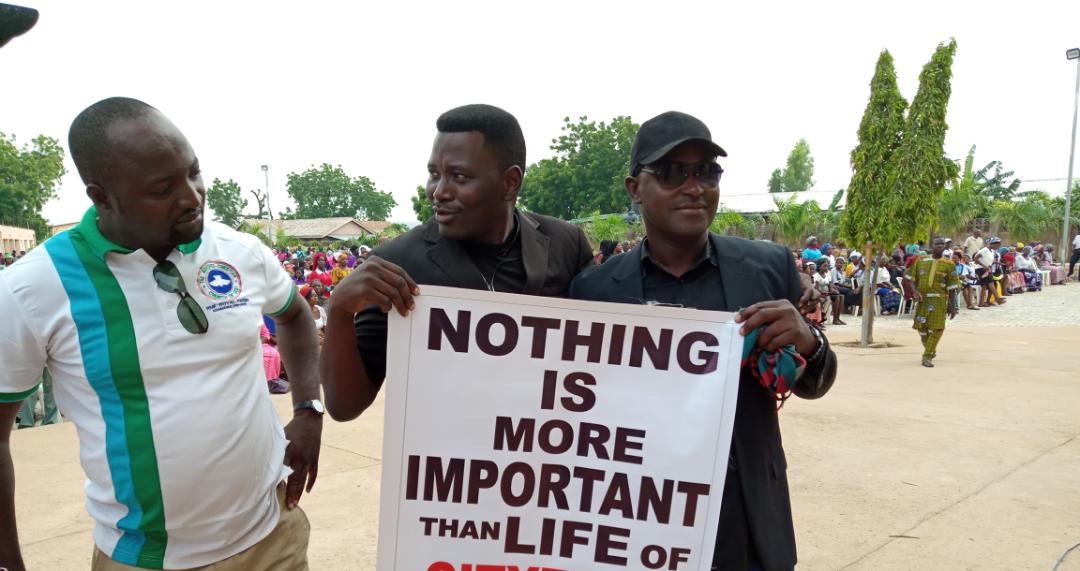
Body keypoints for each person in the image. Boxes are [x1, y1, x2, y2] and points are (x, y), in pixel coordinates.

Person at [0, 98, 322, 571]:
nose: (191, 196)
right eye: (162, 188)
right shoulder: (33, 289)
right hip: (145, 560)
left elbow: (294, 315)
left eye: (193, 173)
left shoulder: (239, 251)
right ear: (101, 196)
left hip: (273, 541)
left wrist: (308, 408)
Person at [569, 111, 837, 571]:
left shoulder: (768, 268)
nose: (694, 187)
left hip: (745, 519)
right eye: (673, 172)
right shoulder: (595, 291)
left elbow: (814, 381)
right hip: (635, 518)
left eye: (707, 172)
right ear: (635, 188)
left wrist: (810, 343)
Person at [320, 104, 595, 421]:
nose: (438, 192)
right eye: (435, 174)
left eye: (459, 176)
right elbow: (344, 406)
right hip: (446, 465)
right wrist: (339, 309)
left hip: (539, 457)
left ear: (510, 182)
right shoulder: (397, 263)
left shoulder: (566, 244)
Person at [909, 237, 959, 367]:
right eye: (937, 244)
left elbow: (953, 287)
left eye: (942, 244)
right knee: (921, 329)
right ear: (932, 246)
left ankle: (927, 356)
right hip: (922, 299)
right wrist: (914, 291)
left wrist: (952, 305)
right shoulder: (921, 260)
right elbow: (910, 278)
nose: (940, 246)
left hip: (939, 300)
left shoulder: (949, 264)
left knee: (937, 328)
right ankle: (930, 348)